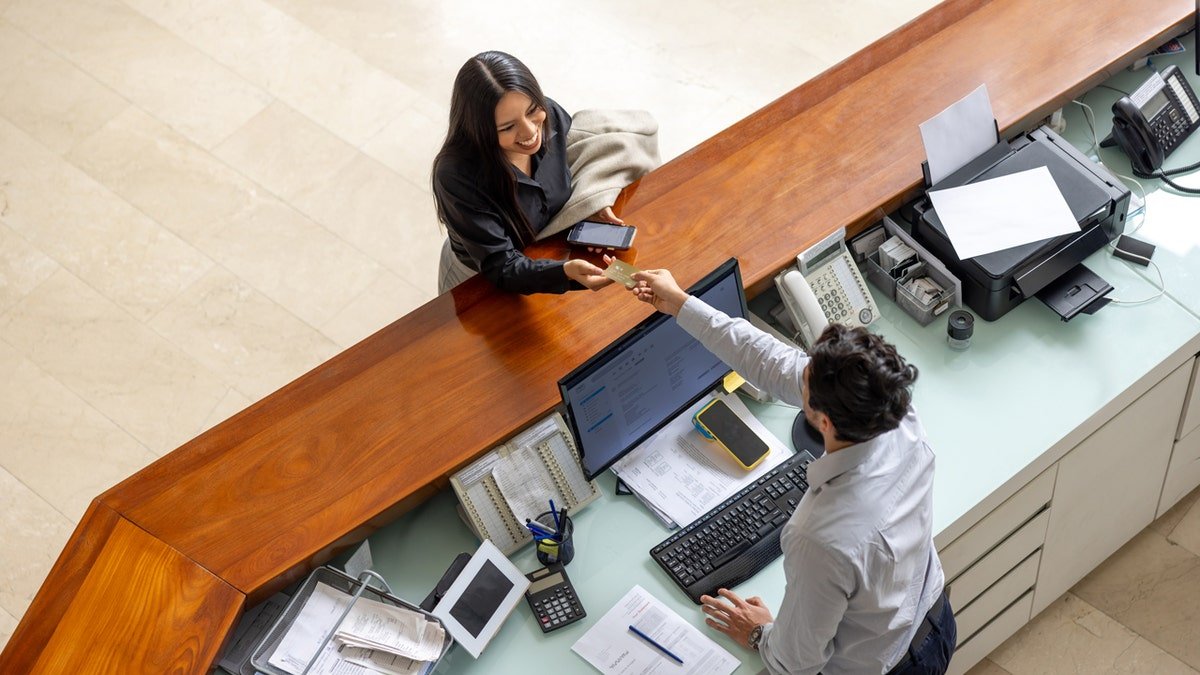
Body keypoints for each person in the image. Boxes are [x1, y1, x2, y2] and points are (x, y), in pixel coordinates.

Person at [628, 268, 956, 675]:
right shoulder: (897, 413)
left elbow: (796, 663)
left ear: (823, 422)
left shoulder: (820, 538)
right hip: (936, 618)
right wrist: (680, 304)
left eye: (805, 379)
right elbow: (771, 360)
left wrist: (760, 635)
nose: (796, 370)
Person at [432, 51, 623, 294]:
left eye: (533, 110)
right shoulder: (457, 176)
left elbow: (571, 165)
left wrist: (588, 206)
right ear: (480, 131)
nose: (530, 131)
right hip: (478, 278)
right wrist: (562, 273)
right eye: (508, 127)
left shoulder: (549, 114)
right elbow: (501, 265)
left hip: (544, 253)